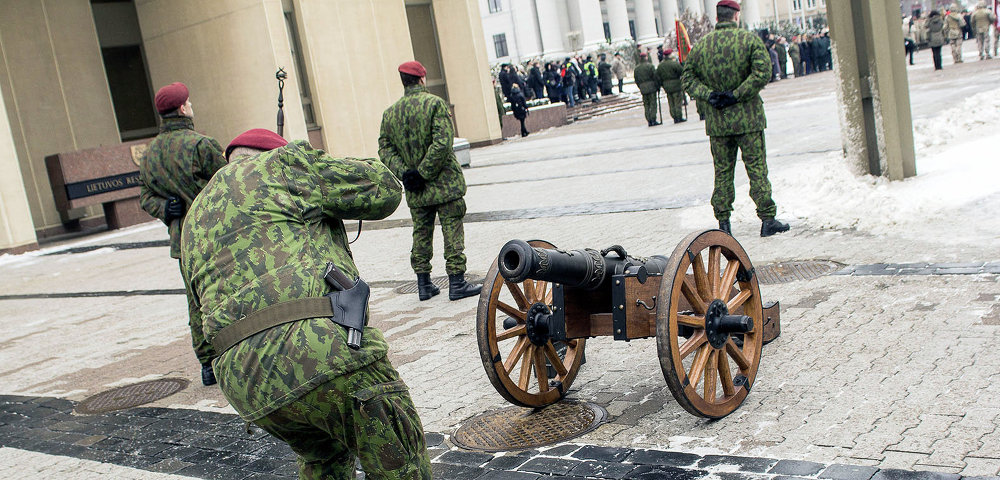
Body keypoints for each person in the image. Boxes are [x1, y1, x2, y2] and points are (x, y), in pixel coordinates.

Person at [180, 128, 431, 479]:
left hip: (244, 383)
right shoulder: (285, 164)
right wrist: (318, 167)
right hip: (319, 352)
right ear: (270, 152)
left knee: (323, 458)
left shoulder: (194, 217)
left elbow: (198, 320)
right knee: (400, 461)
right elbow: (384, 188)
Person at [138, 82, 227, 387]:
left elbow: (145, 196)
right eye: (188, 103)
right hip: (216, 235)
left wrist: (165, 207)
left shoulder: (150, 154)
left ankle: (208, 364)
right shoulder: (202, 145)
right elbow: (227, 185)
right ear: (182, 108)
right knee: (229, 292)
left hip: (182, 242)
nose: (191, 107)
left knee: (196, 302)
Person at [681, 0, 789, 237]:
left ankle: (724, 224)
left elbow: (687, 79)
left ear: (717, 17)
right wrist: (737, 94)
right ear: (736, 16)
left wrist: (710, 95)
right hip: (748, 119)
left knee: (722, 172)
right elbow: (763, 72)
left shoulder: (702, 46)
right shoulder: (749, 40)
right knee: (757, 169)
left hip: (718, 122)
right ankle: (767, 219)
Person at [379, 61, 481, 301]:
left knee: (421, 233)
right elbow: (443, 143)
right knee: (452, 230)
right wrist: (423, 172)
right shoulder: (435, 104)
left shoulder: (390, 113)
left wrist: (407, 173)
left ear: (403, 81)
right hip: (444, 184)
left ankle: (423, 284)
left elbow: (384, 149)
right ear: (422, 79)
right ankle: (457, 282)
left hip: (416, 189)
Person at [655, 48, 685, 123]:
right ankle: (679, 116)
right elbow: (681, 71)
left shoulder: (660, 65)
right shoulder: (674, 63)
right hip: (676, 85)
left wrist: (661, 84)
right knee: (677, 101)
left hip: (667, 86)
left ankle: (674, 116)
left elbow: (657, 77)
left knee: (671, 102)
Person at [634, 52, 660, 127]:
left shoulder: (637, 68)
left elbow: (636, 79)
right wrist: (657, 86)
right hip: (651, 87)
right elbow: (655, 77)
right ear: (646, 57)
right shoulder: (650, 66)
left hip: (643, 88)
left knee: (646, 104)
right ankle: (653, 119)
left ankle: (649, 120)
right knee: (653, 104)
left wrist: (640, 86)